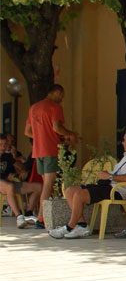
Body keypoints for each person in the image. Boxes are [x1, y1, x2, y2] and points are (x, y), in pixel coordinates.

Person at [49, 129, 126, 239]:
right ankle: (82, 225)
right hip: (107, 185)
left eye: (124, 140)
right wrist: (107, 175)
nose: (122, 143)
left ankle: (69, 227)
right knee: (70, 191)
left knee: (79, 195)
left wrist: (109, 176)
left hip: (116, 190)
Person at [24, 84, 79, 229]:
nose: (61, 99)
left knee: (46, 185)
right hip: (50, 150)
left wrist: (41, 136)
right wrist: (70, 134)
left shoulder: (33, 107)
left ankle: (43, 216)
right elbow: (57, 128)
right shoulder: (55, 107)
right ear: (56, 92)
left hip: (38, 151)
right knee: (48, 185)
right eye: (61, 95)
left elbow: (28, 132)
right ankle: (41, 219)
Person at [0, 133, 40, 227]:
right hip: (5, 184)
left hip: (9, 183)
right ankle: (19, 216)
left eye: (5, 144)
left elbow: (20, 167)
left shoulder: (7, 156)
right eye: (0, 144)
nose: (3, 147)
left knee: (38, 187)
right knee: (10, 187)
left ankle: (28, 213)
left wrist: (21, 170)